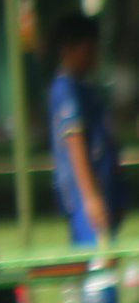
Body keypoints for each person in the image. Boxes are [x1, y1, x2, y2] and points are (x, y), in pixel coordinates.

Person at [49, 14, 123, 248]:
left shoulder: (86, 88)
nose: (94, 57)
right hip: (86, 194)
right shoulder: (66, 90)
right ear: (68, 49)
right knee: (97, 268)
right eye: (88, 50)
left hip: (102, 189)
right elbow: (75, 140)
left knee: (100, 262)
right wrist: (90, 198)